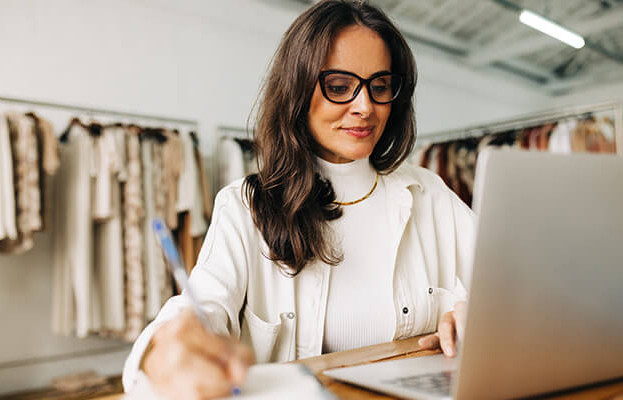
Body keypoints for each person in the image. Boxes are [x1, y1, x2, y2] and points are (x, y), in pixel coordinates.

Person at [123, 1, 475, 399]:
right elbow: (200, 310)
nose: (365, 107)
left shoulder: (430, 194)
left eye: (380, 87)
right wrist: (165, 353)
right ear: (296, 90)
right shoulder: (245, 207)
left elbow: (511, 285)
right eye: (340, 87)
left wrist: (483, 315)